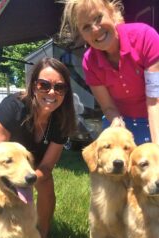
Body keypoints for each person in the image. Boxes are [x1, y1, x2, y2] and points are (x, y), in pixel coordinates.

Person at [0, 57, 76, 238]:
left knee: (45, 183)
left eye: (60, 87)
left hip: (28, 162)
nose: (52, 92)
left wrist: (28, 179)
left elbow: (46, 167)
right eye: (44, 85)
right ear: (33, 86)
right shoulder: (13, 107)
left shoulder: (62, 121)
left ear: (66, 93)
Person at [59, 0, 159, 145]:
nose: (95, 29)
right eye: (86, 27)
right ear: (82, 35)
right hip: (124, 119)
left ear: (112, 13)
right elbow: (108, 107)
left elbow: (155, 101)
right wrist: (118, 125)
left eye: (98, 18)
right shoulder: (89, 62)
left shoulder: (145, 37)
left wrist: (155, 149)